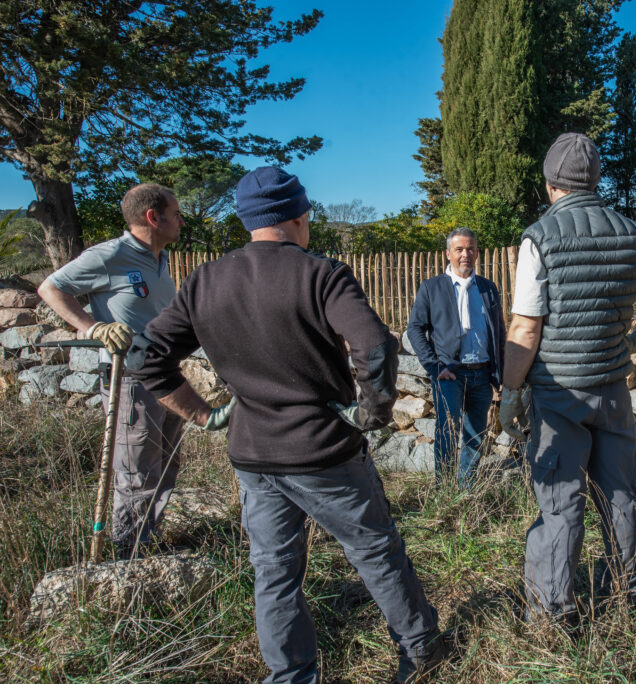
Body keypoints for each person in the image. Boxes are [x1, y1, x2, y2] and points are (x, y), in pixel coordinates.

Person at [129, 167, 445, 684]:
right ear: (300, 217)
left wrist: (205, 414)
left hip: (253, 456)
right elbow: (375, 345)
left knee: (274, 575)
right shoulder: (323, 274)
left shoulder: (205, 280)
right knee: (375, 553)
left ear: (248, 220)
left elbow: (145, 356)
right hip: (325, 453)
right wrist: (370, 415)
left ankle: (292, 675)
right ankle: (421, 648)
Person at [498, 132, 636, 622]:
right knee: (619, 495)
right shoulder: (632, 233)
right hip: (613, 390)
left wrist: (511, 391)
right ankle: (624, 591)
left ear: (550, 184)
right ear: (595, 180)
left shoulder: (540, 237)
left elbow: (525, 325)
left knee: (562, 504)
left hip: (558, 392)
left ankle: (552, 610)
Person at [38, 183, 188, 559]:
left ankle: (148, 537)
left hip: (166, 374)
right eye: (177, 213)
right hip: (129, 378)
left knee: (167, 460)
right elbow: (50, 289)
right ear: (153, 217)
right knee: (136, 468)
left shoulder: (160, 258)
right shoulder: (111, 255)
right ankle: (128, 553)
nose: (182, 221)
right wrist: (92, 328)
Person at [407, 227, 505, 488]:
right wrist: (433, 365)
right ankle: (444, 490)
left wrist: (500, 372)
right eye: (459, 249)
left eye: (471, 249)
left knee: (476, 433)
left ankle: (466, 489)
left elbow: (499, 331)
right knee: (447, 432)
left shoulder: (488, 288)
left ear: (477, 252)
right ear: (448, 253)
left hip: (482, 373)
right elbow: (415, 328)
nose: (466, 254)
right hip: (448, 372)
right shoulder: (432, 287)